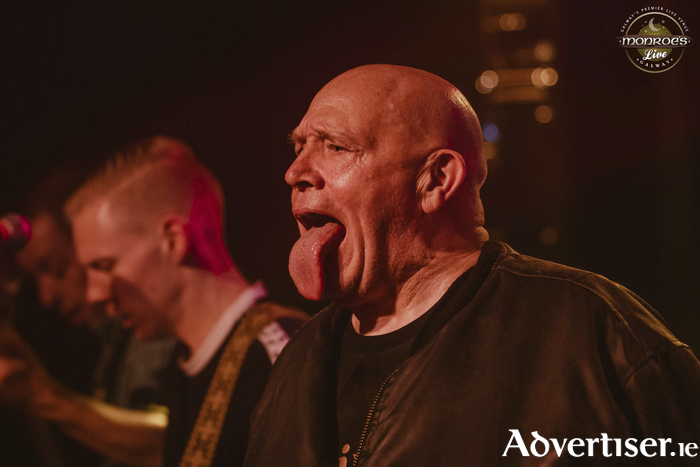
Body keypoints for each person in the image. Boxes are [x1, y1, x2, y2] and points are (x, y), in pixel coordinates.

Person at [245, 65, 700, 466]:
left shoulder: (594, 332)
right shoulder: (298, 358)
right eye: (299, 146)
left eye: (337, 147)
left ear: (436, 180)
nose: (295, 172)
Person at [61, 135, 303, 467]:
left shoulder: (279, 355)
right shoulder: (183, 365)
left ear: (173, 240)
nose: (94, 294)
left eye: (104, 266)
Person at [1, 169, 176, 467]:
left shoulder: (151, 328)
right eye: (35, 280)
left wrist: (42, 397)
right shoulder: (110, 345)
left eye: (57, 269)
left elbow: (178, 443)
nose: (46, 297)